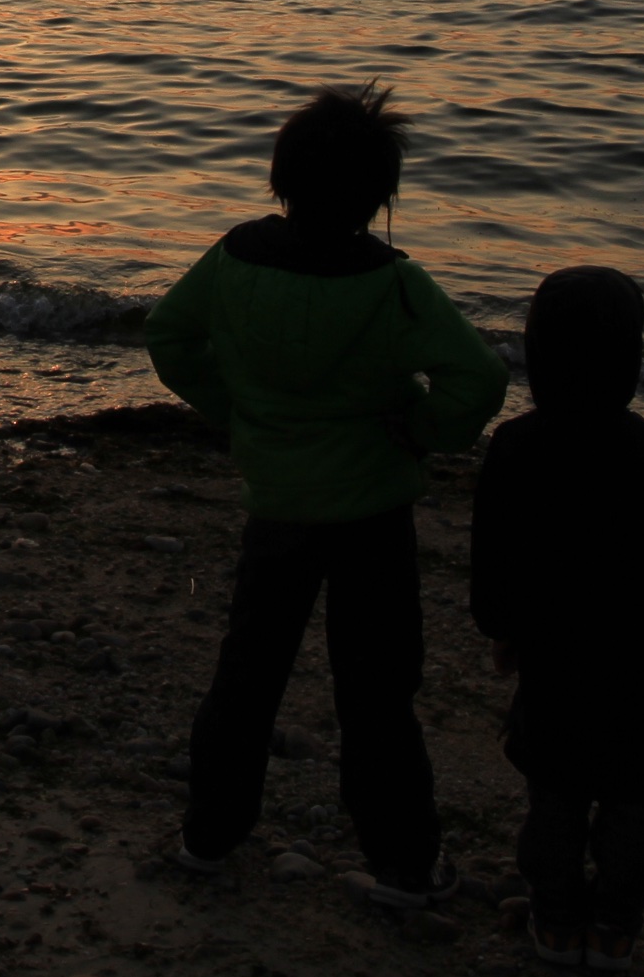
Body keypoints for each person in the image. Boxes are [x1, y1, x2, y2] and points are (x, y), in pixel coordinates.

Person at [145, 84, 509, 907]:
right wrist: (424, 428)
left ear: (282, 179)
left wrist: (234, 410)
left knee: (247, 674)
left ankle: (208, 837)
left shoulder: (237, 257)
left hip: (276, 503)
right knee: (378, 694)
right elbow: (479, 378)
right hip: (373, 512)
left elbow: (169, 333)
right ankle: (406, 865)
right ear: (382, 197)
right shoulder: (392, 283)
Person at [471, 264, 644, 973]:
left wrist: (502, 626)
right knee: (633, 810)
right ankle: (614, 928)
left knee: (554, 802)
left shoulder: (516, 448)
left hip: (557, 662)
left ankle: (558, 921)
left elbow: (496, 556)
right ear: (631, 358)